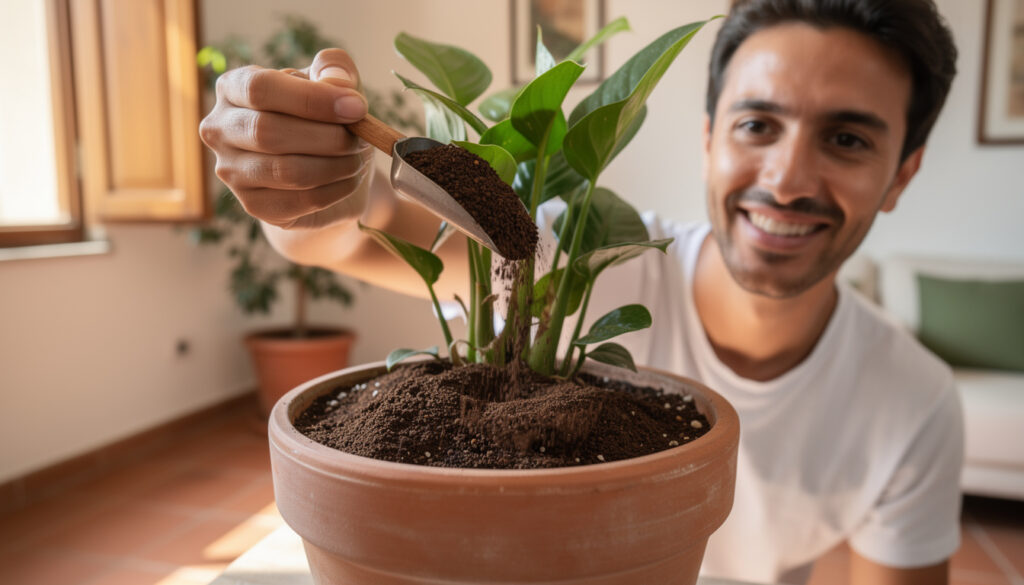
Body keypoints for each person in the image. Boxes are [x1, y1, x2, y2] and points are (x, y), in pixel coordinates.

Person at [199, 0, 963, 583]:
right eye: (759, 124)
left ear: (904, 172)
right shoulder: (567, 252)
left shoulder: (915, 402)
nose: (789, 180)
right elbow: (346, 229)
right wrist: (306, 187)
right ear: (708, 137)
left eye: (849, 139)